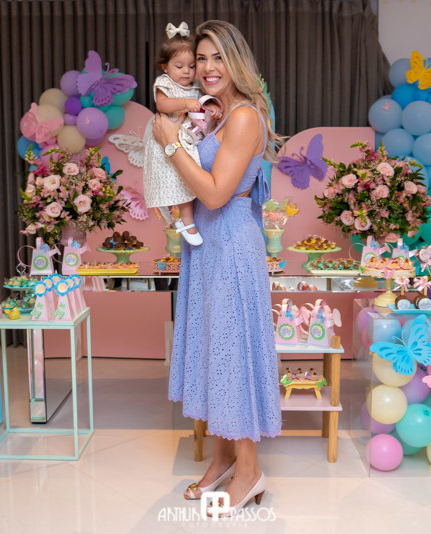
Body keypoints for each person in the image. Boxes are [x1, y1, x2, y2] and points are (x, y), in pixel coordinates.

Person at [154, 19, 284, 518]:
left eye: (218, 58)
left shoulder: (244, 117)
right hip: (207, 246)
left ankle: (249, 472)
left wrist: (170, 143)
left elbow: (213, 194)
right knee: (214, 350)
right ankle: (223, 458)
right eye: (201, 58)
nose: (208, 68)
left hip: (229, 244)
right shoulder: (215, 112)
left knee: (233, 353)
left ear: (236, 61)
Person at [142, 21, 223, 246]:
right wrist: (185, 103)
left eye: (191, 66)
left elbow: (204, 104)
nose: (186, 71)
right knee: (177, 179)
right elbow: (162, 104)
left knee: (191, 179)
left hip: (189, 139)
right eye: (179, 66)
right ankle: (187, 222)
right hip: (167, 138)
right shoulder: (165, 83)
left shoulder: (197, 86)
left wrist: (212, 106)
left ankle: (188, 220)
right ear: (165, 67)